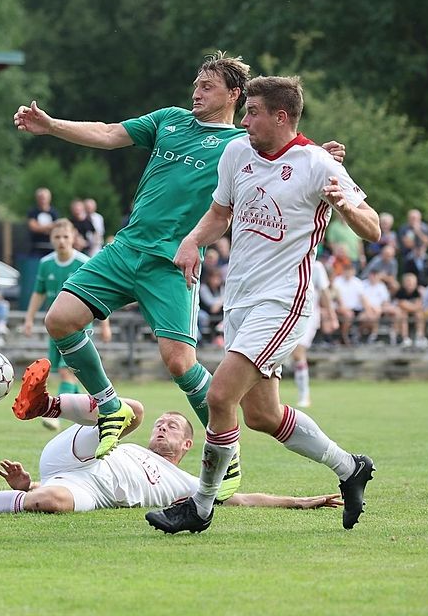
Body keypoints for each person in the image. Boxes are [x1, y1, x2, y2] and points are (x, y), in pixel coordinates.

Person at [13, 53, 346, 476]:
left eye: (207, 86)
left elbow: (287, 150)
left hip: (173, 262)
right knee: (60, 319)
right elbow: (109, 132)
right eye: (196, 84)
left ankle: (226, 457)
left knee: (180, 363)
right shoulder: (169, 120)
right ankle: (110, 407)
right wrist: (52, 126)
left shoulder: (241, 144)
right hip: (126, 247)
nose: (196, 92)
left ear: (234, 95)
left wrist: (320, 153)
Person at [145, 75, 378, 535]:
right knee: (262, 416)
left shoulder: (316, 163)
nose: (244, 121)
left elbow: (372, 227)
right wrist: (192, 241)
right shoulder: (237, 153)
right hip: (240, 301)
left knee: (219, 396)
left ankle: (201, 506)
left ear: (281, 116)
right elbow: (220, 213)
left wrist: (347, 209)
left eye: (252, 112)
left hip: (283, 301)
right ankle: (350, 467)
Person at [0, 365, 342, 515]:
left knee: (48, 503)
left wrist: (301, 502)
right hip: (84, 452)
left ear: (188, 446)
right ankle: (47, 405)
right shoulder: (128, 445)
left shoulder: (188, 484)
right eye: (163, 425)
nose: (163, 428)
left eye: (174, 427)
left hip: (86, 489)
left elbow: (242, 499)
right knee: (132, 411)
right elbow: (134, 421)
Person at [22, 220, 110, 424]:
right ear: (51, 239)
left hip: (79, 327)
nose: (61, 241)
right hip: (55, 328)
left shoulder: (83, 262)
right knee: (67, 373)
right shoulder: (45, 264)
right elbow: (38, 292)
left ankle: (55, 416)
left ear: (73, 238)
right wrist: (29, 319)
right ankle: (90, 412)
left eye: (65, 237)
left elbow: (99, 295)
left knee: (66, 370)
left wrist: (105, 325)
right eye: (57, 237)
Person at [291, 259, 334, 407]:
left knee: (298, 353)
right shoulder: (290, 259)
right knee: (289, 355)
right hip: (288, 313)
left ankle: (304, 395)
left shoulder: (317, 267)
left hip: (308, 315)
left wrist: (331, 316)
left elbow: (325, 292)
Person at [393, 272, 427, 348]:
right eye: (408, 282)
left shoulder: (417, 291)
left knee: (420, 314)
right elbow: (402, 305)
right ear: (404, 283)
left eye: (412, 282)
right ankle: (405, 338)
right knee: (403, 314)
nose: (410, 284)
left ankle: (420, 336)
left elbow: (419, 304)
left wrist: (413, 308)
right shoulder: (400, 291)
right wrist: (414, 307)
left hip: (413, 311)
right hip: (401, 312)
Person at [27, 187, 59, 257]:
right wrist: (50, 226)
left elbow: (56, 229)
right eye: (40, 198)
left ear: (49, 198)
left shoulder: (54, 212)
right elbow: (33, 228)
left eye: (44, 198)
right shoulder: (33, 212)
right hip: (36, 247)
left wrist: (40, 227)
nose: (42, 200)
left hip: (51, 247)